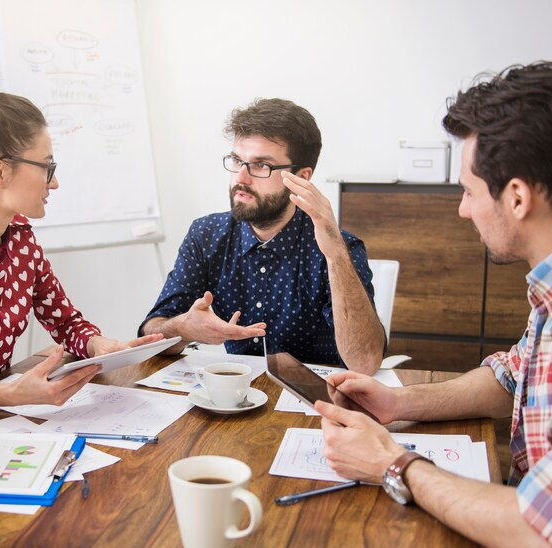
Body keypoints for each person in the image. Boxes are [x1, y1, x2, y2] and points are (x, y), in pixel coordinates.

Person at [316, 62, 552, 548]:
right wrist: (401, 405)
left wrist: (394, 464)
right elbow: (513, 379)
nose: (463, 210)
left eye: (468, 191)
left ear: (517, 197)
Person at [0, 57, 160, 411]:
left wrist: (100, 346)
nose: (54, 182)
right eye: (46, 166)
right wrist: (10, 394)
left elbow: (66, 322)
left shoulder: (21, 237)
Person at [139, 98, 385, 374]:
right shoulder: (206, 235)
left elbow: (365, 363)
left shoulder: (338, 246)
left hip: (317, 401)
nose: (241, 178)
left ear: (301, 176)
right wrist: (183, 328)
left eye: (261, 166)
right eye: (236, 160)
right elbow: (151, 333)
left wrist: (336, 256)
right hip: (237, 397)